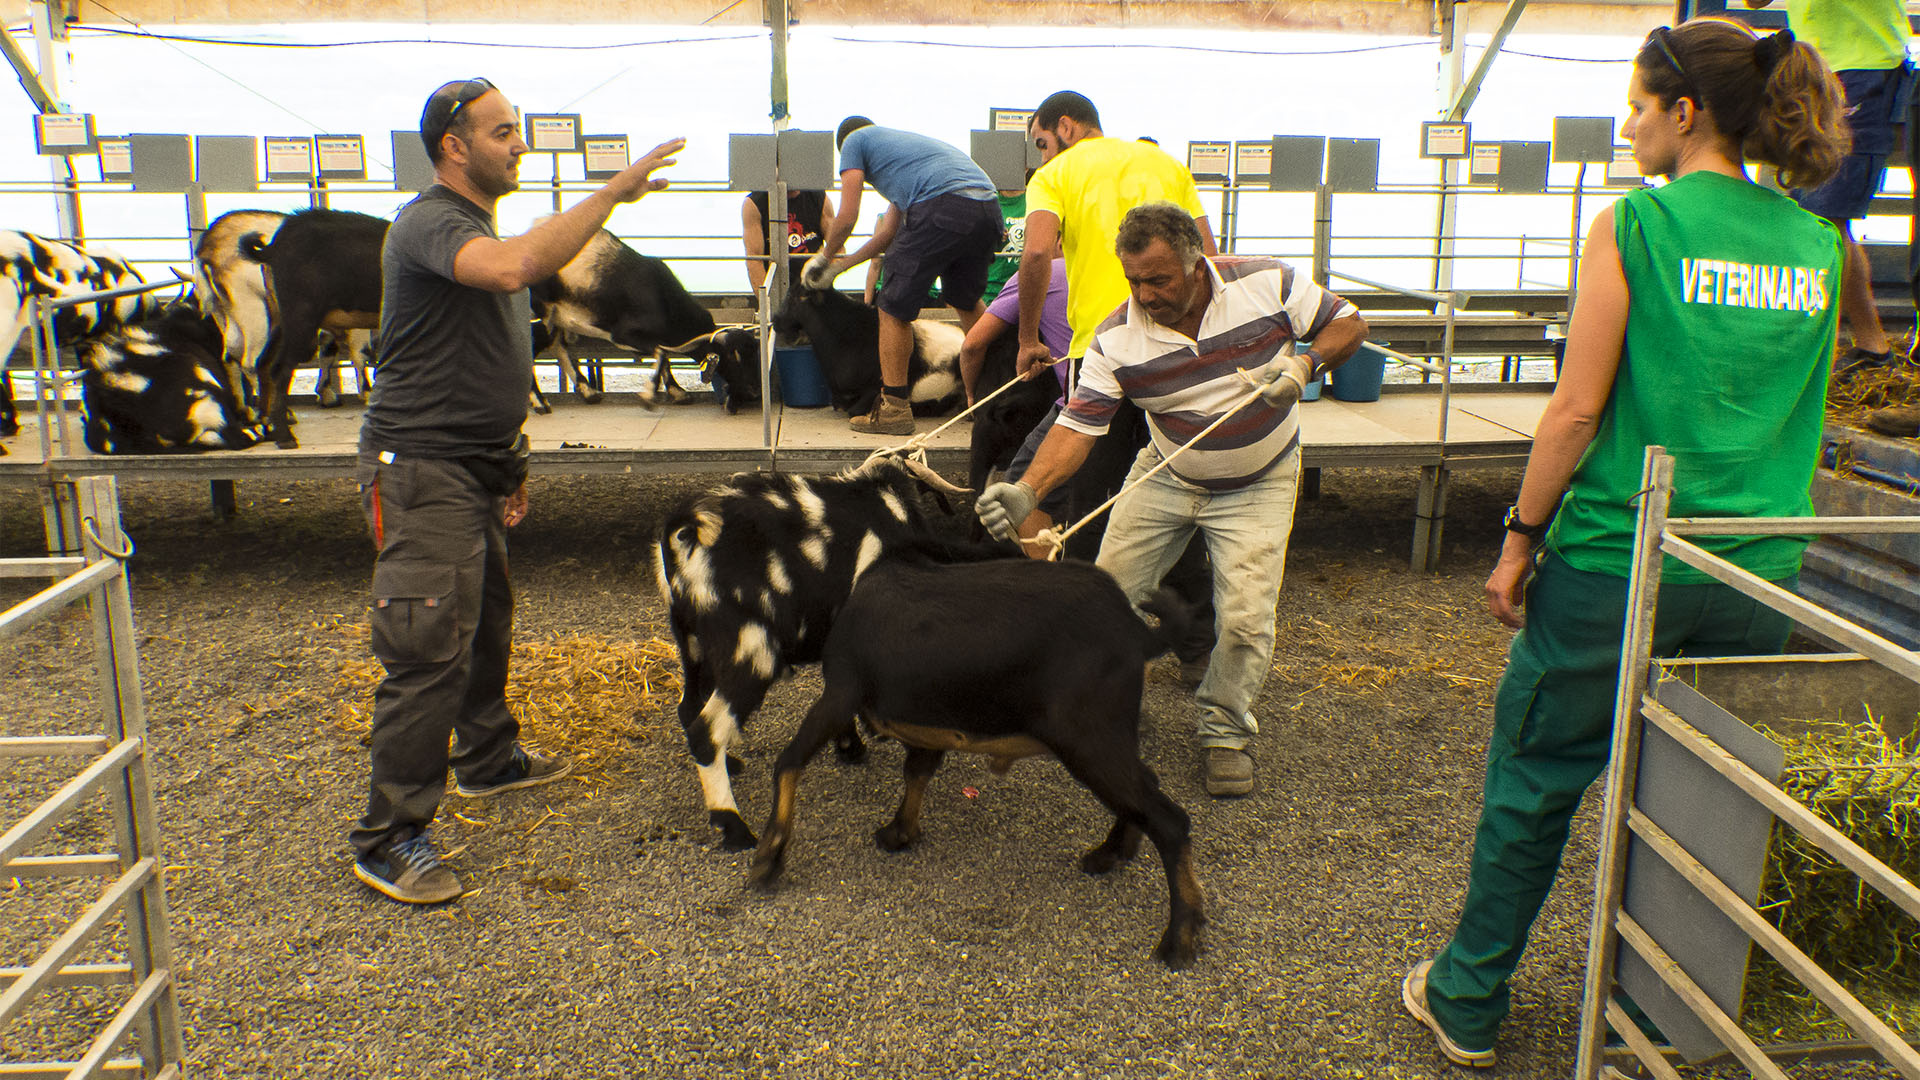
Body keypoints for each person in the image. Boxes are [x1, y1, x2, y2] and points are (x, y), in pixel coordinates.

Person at [1400, 21, 1848, 1069]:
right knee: (1700, 793)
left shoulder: (1638, 225)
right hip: (1757, 567)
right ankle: (1663, 1015)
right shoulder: (1820, 243)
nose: (1630, 122)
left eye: (1640, 104)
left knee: (1538, 775)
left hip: (1620, 558)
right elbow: (1806, 415)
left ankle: (1468, 1000)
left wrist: (1517, 538)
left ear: (1685, 113)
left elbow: (1573, 410)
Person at [349, 76, 684, 904]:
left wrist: (509, 462)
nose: (519, 143)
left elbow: (482, 359)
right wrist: (612, 192)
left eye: (519, 130)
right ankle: (389, 837)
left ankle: (488, 759)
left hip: (471, 467)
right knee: (426, 648)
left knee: (483, 622)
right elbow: (514, 271)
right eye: (503, 131)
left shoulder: (473, 228)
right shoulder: (433, 222)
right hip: (420, 469)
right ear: (454, 146)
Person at [976, 204, 1367, 798]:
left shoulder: (1268, 282)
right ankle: (1099, 707)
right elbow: (1080, 426)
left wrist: (1304, 361)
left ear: (1196, 263)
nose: (1145, 294)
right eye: (1134, 280)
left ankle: (1224, 730)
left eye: (1158, 279)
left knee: (1244, 619)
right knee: (1103, 599)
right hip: (1166, 472)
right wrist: (1028, 489)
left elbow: (1350, 324)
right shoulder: (1116, 338)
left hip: (1259, 478)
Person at [802, 116, 1004, 436]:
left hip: (941, 206)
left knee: (891, 307)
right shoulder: (908, 159)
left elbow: (847, 215)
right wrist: (840, 266)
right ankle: (997, 392)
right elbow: (888, 235)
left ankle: (894, 409)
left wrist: (823, 256)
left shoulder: (855, 141)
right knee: (964, 299)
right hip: (986, 208)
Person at [1746, 0, 1910, 372]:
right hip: (1811, 70)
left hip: (1864, 67)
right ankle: (1869, 346)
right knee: (1818, 216)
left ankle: (1831, 345)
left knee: (1825, 217)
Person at [742, 187, 833, 296]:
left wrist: (827, 275)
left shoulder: (818, 197)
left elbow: (838, 247)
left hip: (815, 287)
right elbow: (754, 260)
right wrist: (769, 303)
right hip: (778, 289)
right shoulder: (755, 203)